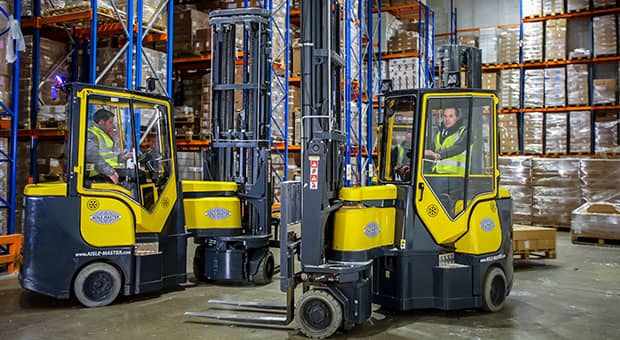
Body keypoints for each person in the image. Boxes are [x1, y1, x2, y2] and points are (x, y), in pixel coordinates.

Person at [86, 109, 133, 184]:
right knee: (136, 176)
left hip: (108, 170)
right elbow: (93, 157)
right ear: (101, 122)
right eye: (110, 122)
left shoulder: (104, 134)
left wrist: (124, 157)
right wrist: (110, 173)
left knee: (137, 175)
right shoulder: (92, 134)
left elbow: (110, 157)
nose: (113, 125)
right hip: (98, 173)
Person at [424, 107, 467, 174]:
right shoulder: (439, 134)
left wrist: (437, 154)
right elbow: (431, 152)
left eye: (451, 116)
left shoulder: (464, 132)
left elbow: (458, 147)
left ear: (457, 118)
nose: (447, 119)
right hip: (438, 173)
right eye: (445, 116)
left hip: (456, 176)